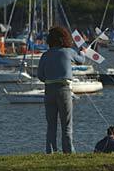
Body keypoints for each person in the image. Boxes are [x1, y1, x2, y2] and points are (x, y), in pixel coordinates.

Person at [37, 26, 86, 154]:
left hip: (48, 91)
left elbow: (40, 76)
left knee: (51, 125)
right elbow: (81, 61)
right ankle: (68, 151)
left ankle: (51, 151)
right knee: (66, 124)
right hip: (64, 90)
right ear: (64, 39)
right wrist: (83, 52)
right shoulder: (68, 51)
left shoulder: (45, 55)